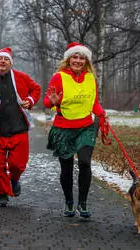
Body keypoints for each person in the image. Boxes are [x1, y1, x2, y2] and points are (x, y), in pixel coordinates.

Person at [43, 42, 107, 218]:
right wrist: (53, 101)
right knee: (67, 167)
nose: (78, 60)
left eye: (82, 57)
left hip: (86, 127)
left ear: (86, 61)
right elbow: (47, 102)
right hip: (63, 128)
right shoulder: (59, 77)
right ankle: (69, 202)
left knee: (85, 162)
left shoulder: (91, 79)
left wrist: (102, 114)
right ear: (68, 59)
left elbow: (94, 103)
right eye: (75, 57)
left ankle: (83, 203)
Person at [0, 47, 41, 207]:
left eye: (6, 59)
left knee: (18, 164)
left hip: (18, 129)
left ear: (10, 63)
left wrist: (30, 100)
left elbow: (36, 89)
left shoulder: (21, 78)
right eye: (0, 59)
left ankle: (14, 179)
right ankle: (2, 194)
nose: (3, 61)